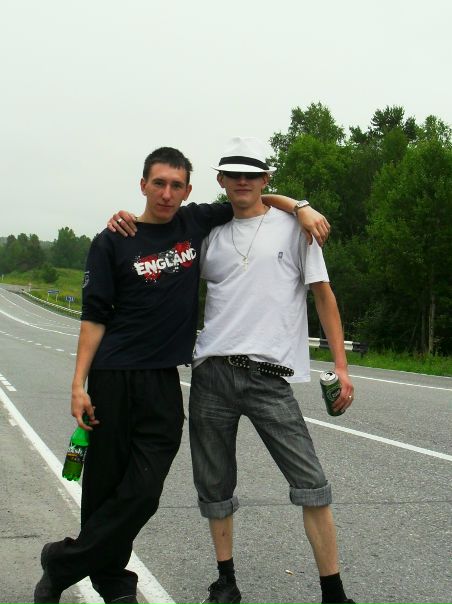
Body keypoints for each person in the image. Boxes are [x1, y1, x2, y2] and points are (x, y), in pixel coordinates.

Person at [34, 145, 329, 604]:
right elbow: (94, 318)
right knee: (105, 485)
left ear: (188, 190)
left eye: (176, 185)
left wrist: (301, 207)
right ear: (143, 185)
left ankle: (62, 562)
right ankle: (113, 582)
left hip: (163, 381)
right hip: (112, 376)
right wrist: (78, 384)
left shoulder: (194, 223)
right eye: (158, 183)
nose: (167, 193)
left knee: (144, 491)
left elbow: (251, 195)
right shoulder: (113, 240)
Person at [187, 137, 356, 604]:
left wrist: (341, 366)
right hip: (212, 374)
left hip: (269, 377)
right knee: (215, 485)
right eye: (233, 174)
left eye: (252, 174)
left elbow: (323, 296)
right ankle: (226, 581)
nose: (242, 182)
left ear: (266, 179)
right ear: (221, 179)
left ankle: (334, 593)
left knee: (311, 484)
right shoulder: (209, 235)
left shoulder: (295, 229)